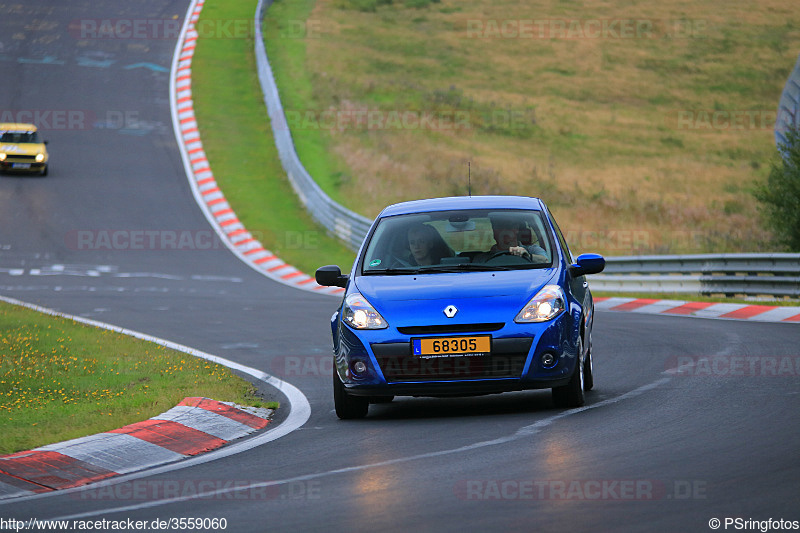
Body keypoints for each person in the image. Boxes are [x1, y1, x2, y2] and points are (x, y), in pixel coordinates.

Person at [480, 215, 547, 261]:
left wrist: (528, 256)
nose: (504, 230)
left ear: (517, 229)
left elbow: (546, 261)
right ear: (493, 230)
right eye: (499, 227)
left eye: (508, 226)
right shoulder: (482, 258)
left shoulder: (533, 250)